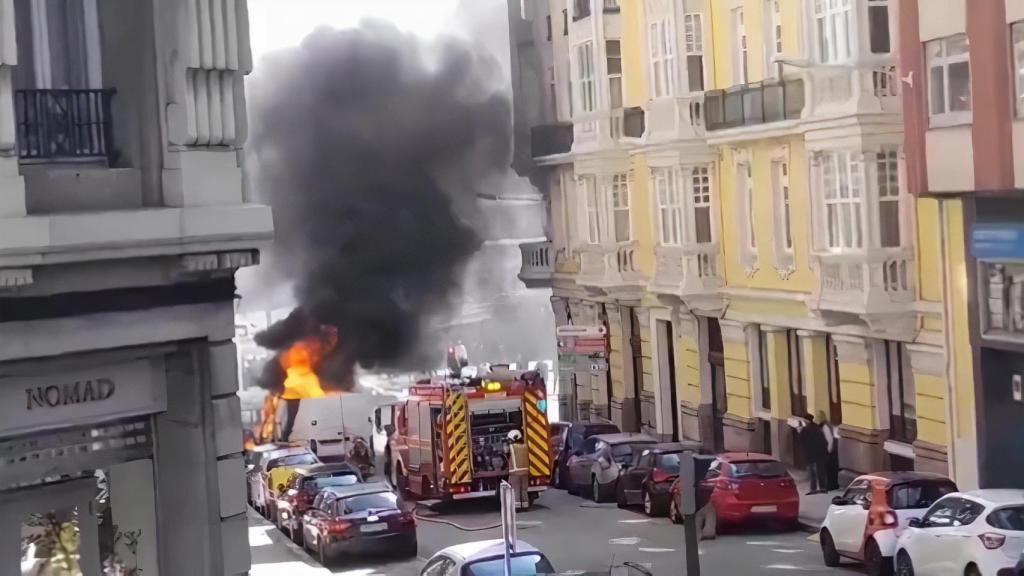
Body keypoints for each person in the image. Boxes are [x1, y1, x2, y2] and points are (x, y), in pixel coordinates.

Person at [797, 412, 828, 495]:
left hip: (810, 454)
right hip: (820, 453)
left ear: (806, 420)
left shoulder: (805, 429)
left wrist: (799, 431)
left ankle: (813, 488)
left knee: (812, 472)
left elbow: (801, 440)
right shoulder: (817, 427)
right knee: (821, 471)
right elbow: (824, 440)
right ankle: (823, 488)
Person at [507, 429, 530, 510]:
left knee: (516, 490)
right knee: (524, 490)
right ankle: (525, 506)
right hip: (525, 472)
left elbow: (506, 453)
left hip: (515, 473)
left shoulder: (511, 447)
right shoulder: (525, 446)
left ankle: (517, 507)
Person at [820, 410, 841, 491]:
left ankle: (831, 485)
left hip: (830, 452)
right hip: (829, 451)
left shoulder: (825, 427)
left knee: (830, 469)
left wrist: (828, 451)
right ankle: (831, 485)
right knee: (829, 469)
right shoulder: (824, 426)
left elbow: (829, 440)